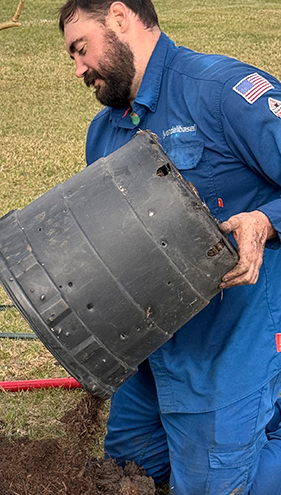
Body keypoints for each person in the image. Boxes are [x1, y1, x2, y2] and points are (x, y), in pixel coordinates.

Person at [58, 1, 281, 493]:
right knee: (131, 464)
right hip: (158, 337)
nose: (77, 69)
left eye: (81, 49)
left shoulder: (221, 92)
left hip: (234, 331)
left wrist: (265, 219)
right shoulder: (104, 134)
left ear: (119, 17)